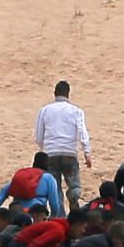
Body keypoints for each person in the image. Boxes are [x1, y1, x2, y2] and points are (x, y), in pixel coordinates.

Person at [34, 80, 92, 211]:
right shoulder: (76, 111)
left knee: (55, 188)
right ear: (68, 94)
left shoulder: (44, 110)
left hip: (51, 153)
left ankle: (60, 215)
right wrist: (87, 152)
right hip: (69, 152)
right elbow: (82, 132)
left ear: (55, 94)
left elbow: (38, 136)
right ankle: (73, 202)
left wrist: (45, 147)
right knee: (74, 185)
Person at [0, 152, 64, 218]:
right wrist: (53, 216)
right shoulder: (48, 178)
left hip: (16, 209)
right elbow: (54, 204)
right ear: (47, 164)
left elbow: (4, 189)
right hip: (36, 212)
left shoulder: (25, 175)